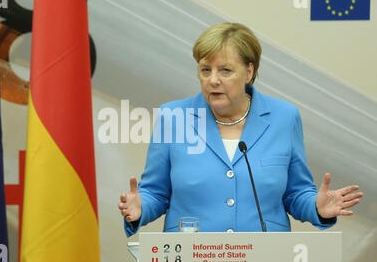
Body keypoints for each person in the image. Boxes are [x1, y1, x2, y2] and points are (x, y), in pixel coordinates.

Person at [118, 23, 363, 236]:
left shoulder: (284, 118)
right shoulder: (173, 118)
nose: (213, 80)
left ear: (249, 71)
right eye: (205, 70)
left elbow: (295, 193)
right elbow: (156, 193)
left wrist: (316, 207)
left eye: (225, 70)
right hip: (194, 260)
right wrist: (140, 207)